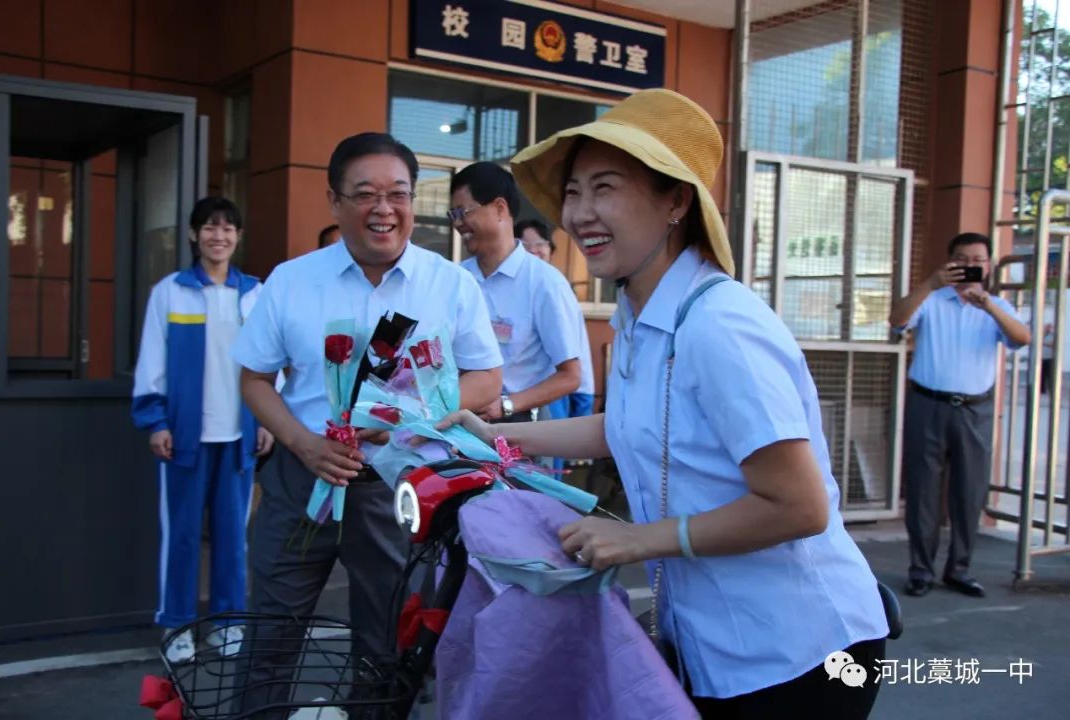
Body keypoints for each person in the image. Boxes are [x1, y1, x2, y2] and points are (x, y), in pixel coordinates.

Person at [439, 89, 889, 717]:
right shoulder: (641, 310)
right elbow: (628, 425)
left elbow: (800, 506)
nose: (580, 213)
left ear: (676, 200)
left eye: (606, 188)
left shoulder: (720, 325)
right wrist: (501, 435)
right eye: (573, 192)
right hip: (719, 638)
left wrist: (639, 541)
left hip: (801, 649)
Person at [231, 132, 502, 713]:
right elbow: (254, 379)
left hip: (396, 488)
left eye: (398, 193)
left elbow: (487, 380)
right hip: (298, 482)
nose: (384, 209)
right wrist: (303, 445)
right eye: (365, 194)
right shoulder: (291, 281)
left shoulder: (449, 284)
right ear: (334, 201)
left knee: (385, 643)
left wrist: (409, 417)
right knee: (270, 635)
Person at [131, 196, 274, 664]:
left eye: (228, 228)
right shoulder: (170, 292)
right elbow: (152, 362)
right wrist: (156, 422)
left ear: (238, 236)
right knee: (183, 535)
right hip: (184, 438)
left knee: (234, 537)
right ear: (194, 235)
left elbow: (273, 362)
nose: (219, 236)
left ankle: (230, 622)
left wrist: (270, 419)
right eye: (210, 228)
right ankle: (176, 625)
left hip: (239, 437)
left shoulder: (255, 293)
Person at [889, 232, 1030, 598]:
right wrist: (930, 283)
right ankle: (921, 570)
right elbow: (897, 319)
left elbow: (1022, 338)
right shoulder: (932, 300)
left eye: (979, 259)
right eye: (963, 257)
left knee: (969, 493)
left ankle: (960, 570)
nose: (971, 264)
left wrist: (989, 307)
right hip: (928, 405)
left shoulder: (998, 307)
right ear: (950, 261)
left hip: (975, 410)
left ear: (988, 265)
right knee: (923, 492)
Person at [451, 162, 582, 424]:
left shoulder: (544, 282)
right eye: (452, 215)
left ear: (500, 209)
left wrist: (507, 405)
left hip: (520, 428)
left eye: (463, 212)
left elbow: (570, 376)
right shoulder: (456, 279)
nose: (458, 224)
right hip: (458, 425)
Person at [515, 218, 597, 468]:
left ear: (551, 248)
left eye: (540, 244)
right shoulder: (510, 288)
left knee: (548, 480)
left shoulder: (557, 287)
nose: (534, 250)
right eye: (524, 245)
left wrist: (583, 411)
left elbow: (579, 353)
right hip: (514, 403)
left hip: (554, 399)